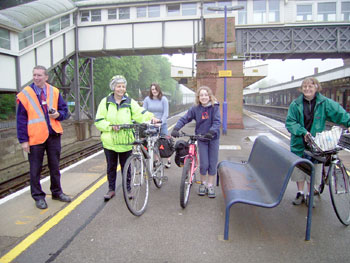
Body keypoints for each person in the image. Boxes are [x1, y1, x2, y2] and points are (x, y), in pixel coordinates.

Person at [286, 77, 350, 207]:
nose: (307, 89)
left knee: (314, 168)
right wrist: (303, 132)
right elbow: (290, 122)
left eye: (311, 86)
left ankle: (310, 194)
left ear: (316, 88)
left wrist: (349, 123)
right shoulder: (295, 104)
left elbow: (339, 113)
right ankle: (300, 193)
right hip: (299, 142)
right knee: (300, 168)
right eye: (305, 86)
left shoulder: (324, 103)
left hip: (317, 143)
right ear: (301, 88)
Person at [95, 75, 159, 201]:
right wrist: (110, 126)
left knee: (127, 166)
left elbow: (140, 113)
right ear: (113, 87)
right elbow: (98, 120)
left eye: (123, 86)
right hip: (110, 141)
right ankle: (111, 189)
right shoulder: (105, 102)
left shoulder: (129, 102)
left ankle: (128, 189)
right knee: (111, 166)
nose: (121, 89)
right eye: (118, 86)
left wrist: (151, 117)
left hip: (125, 141)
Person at [16, 65, 70, 209]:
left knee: (55, 166)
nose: (36, 78)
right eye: (34, 75)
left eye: (40, 75)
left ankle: (57, 192)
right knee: (35, 169)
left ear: (46, 77)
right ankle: (38, 196)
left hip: (53, 135)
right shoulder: (25, 94)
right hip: (35, 137)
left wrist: (59, 115)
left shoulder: (54, 91)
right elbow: (20, 119)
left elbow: (65, 111)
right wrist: (23, 140)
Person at [171, 86, 221, 198]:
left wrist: (212, 131)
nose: (203, 97)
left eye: (205, 95)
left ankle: (210, 185)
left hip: (213, 138)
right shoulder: (195, 108)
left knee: (212, 162)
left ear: (209, 96)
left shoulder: (215, 107)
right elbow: (185, 118)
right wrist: (176, 128)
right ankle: (203, 184)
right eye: (201, 95)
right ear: (198, 97)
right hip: (202, 139)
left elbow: (217, 121)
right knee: (204, 163)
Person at [143, 83, 171, 168]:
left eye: (156, 89)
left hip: (162, 123)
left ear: (159, 90)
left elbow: (166, 113)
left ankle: (168, 160)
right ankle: (156, 160)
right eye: (152, 89)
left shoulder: (164, 99)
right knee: (153, 143)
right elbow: (144, 112)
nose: (154, 91)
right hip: (151, 124)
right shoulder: (147, 100)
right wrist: (150, 120)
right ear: (151, 91)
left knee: (164, 141)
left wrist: (160, 121)